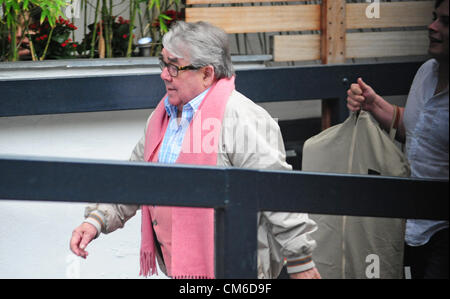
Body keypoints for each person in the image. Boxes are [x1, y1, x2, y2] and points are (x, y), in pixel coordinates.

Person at [70, 21, 320, 279]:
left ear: (207, 73)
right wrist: (96, 221)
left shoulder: (242, 117)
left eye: (174, 67)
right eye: (163, 64)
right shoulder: (161, 117)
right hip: (180, 271)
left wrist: (301, 261)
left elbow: (276, 191)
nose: (164, 75)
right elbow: (135, 179)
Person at [346, 0, 448, 279]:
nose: (432, 26)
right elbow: (416, 131)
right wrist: (374, 103)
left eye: (445, 22)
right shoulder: (427, 72)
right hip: (413, 225)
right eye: (434, 17)